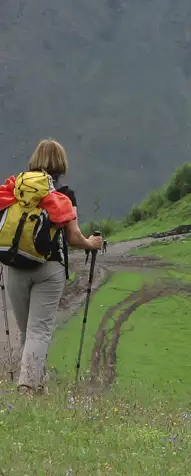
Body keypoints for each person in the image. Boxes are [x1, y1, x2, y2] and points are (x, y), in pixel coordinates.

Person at [2, 140, 102, 397]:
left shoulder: (17, 189)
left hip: (15, 265)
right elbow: (74, 237)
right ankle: (27, 387)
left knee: (26, 330)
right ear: (61, 163)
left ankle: (38, 385)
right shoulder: (64, 195)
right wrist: (91, 243)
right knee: (39, 330)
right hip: (49, 268)